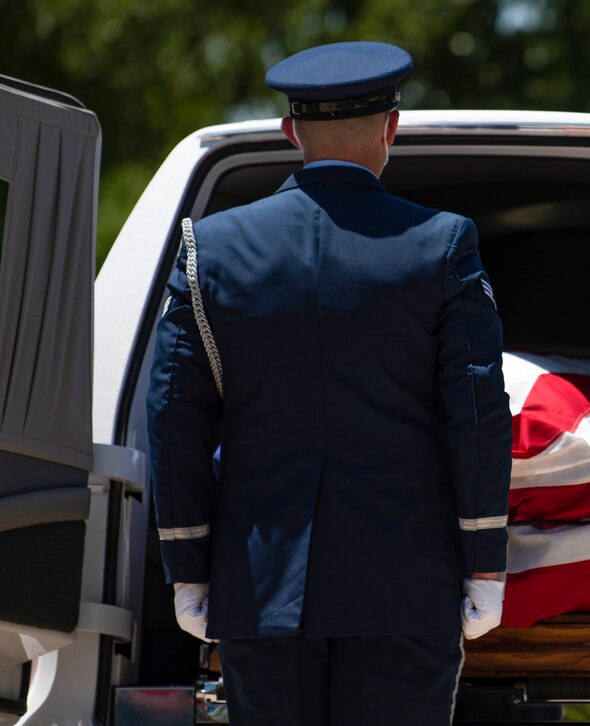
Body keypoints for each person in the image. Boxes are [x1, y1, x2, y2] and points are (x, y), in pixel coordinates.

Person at [146, 41, 512, 726]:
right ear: (390, 128)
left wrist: (188, 564)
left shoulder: (210, 249)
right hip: (406, 589)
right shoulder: (440, 243)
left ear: (291, 133)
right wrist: (484, 563)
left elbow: (173, 417)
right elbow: (477, 414)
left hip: (260, 589)